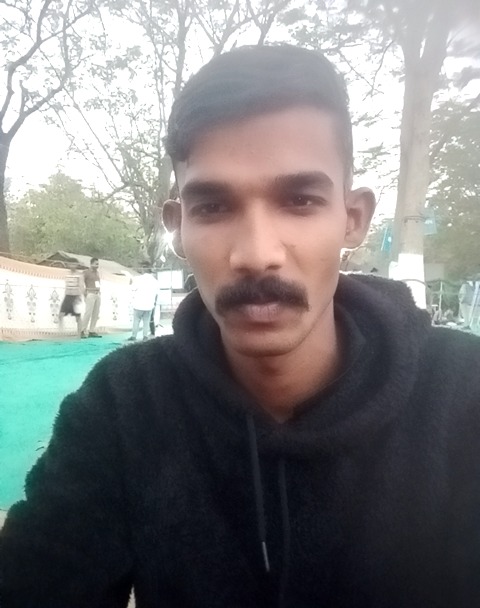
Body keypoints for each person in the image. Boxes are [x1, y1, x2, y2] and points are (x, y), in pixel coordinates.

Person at [2, 45, 480, 608]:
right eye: (213, 207)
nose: (256, 255)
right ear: (178, 226)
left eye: (299, 200)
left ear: (352, 220)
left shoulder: (463, 394)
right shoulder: (124, 404)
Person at [127, 263, 159, 341]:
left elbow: (132, 288)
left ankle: (134, 336)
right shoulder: (155, 281)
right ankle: (145, 336)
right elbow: (157, 293)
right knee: (146, 321)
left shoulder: (138, 279)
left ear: (143, 269)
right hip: (149, 305)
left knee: (136, 321)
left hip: (138, 304)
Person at [58, 263, 85, 336]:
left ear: (76, 265)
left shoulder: (79, 275)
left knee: (78, 316)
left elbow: (81, 286)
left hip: (75, 296)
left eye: (74, 264)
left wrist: (79, 296)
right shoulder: (67, 274)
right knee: (60, 315)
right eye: (71, 264)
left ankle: (80, 333)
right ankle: (61, 333)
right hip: (67, 296)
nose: (72, 266)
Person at [81, 257, 102, 338]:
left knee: (96, 313)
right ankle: (82, 330)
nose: (97, 266)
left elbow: (98, 283)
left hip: (97, 294)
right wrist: (84, 293)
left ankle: (91, 330)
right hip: (90, 293)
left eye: (98, 264)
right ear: (91, 264)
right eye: (96, 264)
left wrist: (99, 292)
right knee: (88, 313)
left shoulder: (97, 273)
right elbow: (81, 283)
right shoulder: (86, 272)